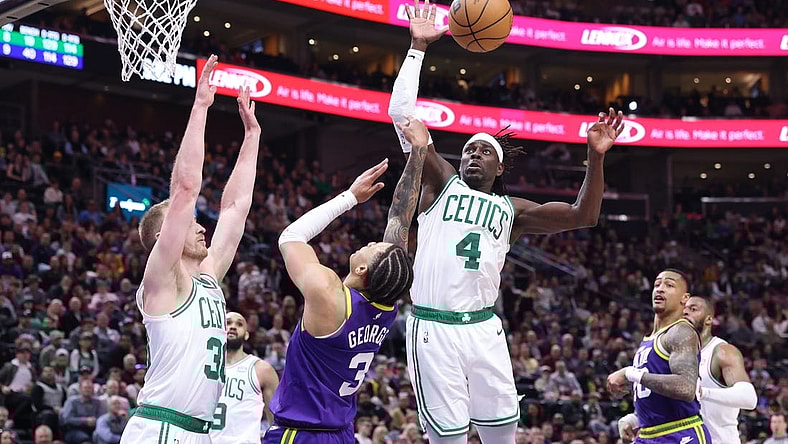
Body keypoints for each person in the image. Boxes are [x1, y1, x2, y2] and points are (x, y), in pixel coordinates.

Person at [387, 2, 625, 442]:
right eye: (469, 152)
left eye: (484, 154)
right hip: (432, 326)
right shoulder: (443, 185)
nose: (473, 156)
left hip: (484, 328)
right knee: (449, 437)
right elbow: (402, 117)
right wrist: (418, 48)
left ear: (500, 170)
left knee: (503, 432)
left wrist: (594, 156)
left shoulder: (513, 210)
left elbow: (584, 216)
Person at [120, 56, 262, 443]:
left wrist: (252, 138)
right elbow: (185, 189)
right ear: (165, 233)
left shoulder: (208, 275)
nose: (201, 226)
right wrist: (200, 107)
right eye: (188, 221)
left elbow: (235, 208)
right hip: (162, 427)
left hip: (197, 432)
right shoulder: (164, 279)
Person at [263, 117, 430, 444]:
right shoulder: (386, 304)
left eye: (373, 248)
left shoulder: (328, 293)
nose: (371, 242)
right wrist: (418, 154)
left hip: (302, 434)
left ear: (364, 270)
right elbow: (399, 218)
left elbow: (291, 236)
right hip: (342, 433)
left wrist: (349, 198)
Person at [607, 269, 711, 443]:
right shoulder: (649, 339)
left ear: (684, 298)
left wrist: (629, 373)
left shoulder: (681, 332)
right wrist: (633, 418)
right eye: (657, 284)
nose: (660, 288)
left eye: (669, 285)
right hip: (648, 434)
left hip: (680, 432)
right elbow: (655, 396)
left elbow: (686, 388)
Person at [209, 312, 280, 444]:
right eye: (228, 322)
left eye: (239, 324)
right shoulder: (204, 367)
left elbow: (277, 423)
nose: (233, 326)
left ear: (246, 334)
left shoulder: (261, 370)